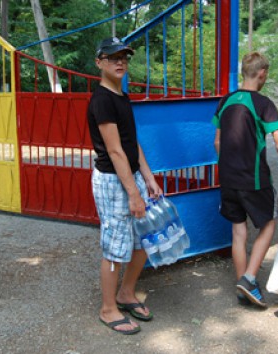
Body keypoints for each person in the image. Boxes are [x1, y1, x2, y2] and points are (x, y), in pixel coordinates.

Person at [212, 52, 278, 308]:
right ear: (262, 74)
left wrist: (228, 167)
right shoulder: (263, 103)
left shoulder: (225, 101)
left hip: (228, 179)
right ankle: (250, 279)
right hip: (253, 179)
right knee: (267, 225)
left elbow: (218, 142)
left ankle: (244, 289)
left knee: (238, 231)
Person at [87, 37, 162, 335]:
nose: (120, 62)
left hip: (131, 177)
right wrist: (133, 193)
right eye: (113, 57)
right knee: (116, 247)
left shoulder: (121, 95)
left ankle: (126, 293)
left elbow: (132, 143)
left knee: (144, 239)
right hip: (113, 181)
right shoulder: (102, 99)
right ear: (99, 62)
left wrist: (149, 177)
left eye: (124, 58)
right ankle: (108, 309)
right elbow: (116, 151)